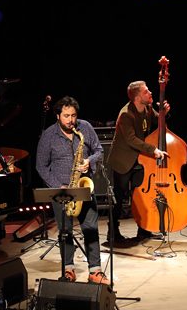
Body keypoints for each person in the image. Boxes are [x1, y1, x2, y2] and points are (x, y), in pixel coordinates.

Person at [35, 96, 110, 285]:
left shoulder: (85, 128)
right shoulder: (48, 135)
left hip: (83, 187)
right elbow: (41, 166)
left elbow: (99, 151)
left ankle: (95, 270)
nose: (71, 120)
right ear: (58, 116)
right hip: (61, 191)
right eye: (66, 116)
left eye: (73, 115)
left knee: (91, 228)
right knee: (65, 231)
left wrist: (89, 161)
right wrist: (58, 185)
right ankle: (68, 269)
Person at [106, 81, 169, 244]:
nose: (150, 93)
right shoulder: (126, 114)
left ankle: (144, 230)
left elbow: (158, 121)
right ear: (137, 97)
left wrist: (164, 113)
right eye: (146, 91)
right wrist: (153, 150)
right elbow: (131, 139)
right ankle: (112, 233)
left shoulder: (147, 108)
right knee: (119, 198)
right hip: (123, 160)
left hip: (140, 160)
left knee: (142, 196)